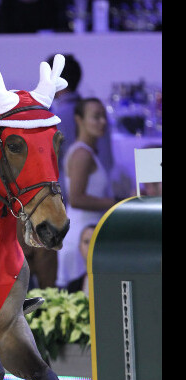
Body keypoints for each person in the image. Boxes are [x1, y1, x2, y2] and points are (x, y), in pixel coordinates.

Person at [56, 98, 116, 288]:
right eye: (96, 117)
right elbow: (76, 198)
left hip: (88, 232)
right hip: (82, 236)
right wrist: (116, 203)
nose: (102, 122)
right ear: (79, 120)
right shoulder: (82, 154)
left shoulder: (85, 152)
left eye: (104, 116)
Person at [46, 53, 114, 193]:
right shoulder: (99, 113)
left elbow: (49, 170)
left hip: (70, 197)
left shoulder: (56, 119)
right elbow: (108, 161)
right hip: (105, 190)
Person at [65, 224, 96, 295]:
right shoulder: (72, 287)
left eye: (95, 241)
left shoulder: (113, 282)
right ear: (80, 247)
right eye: (86, 242)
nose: (91, 246)